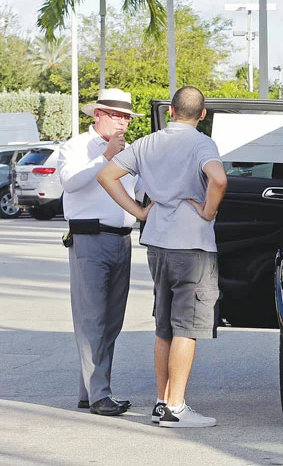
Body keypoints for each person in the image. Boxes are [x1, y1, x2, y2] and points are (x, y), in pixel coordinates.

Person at [98, 86, 227, 428]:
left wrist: (140, 212)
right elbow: (218, 178)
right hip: (193, 245)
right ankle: (176, 408)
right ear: (202, 115)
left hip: (157, 243)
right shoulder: (202, 143)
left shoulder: (146, 143)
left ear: (170, 111)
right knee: (187, 326)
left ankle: (161, 402)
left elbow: (106, 175)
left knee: (164, 325)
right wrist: (208, 210)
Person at [57, 88, 146, 416]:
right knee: (92, 318)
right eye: (116, 115)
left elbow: (136, 189)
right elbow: (70, 182)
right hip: (89, 238)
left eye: (126, 116)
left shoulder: (129, 150)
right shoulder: (77, 146)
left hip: (121, 239)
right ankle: (99, 395)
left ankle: (90, 390)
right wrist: (106, 156)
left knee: (111, 321)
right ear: (98, 115)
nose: (123, 122)